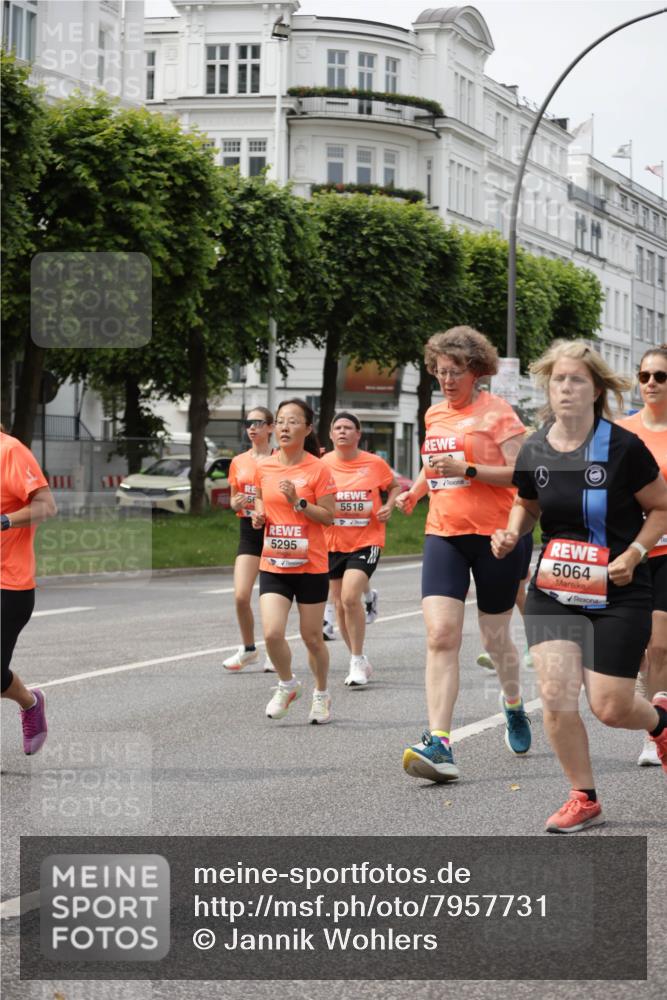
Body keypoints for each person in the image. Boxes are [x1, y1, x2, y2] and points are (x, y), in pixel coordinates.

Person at [492, 340, 667, 833]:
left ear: (595, 390)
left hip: (619, 587)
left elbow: (661, 507)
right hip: (555, 585)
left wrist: (633, 553)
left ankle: (660, 723)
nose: (566, 388)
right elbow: (527, 503)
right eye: (558, 379)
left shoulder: (622, 446)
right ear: (548, 386)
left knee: (610, 707)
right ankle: (583, 796)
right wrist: (511, 531)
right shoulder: (536, 445)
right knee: (555, 694)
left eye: (577, 380)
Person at [397, 327, 532, 783]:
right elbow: (433, 463)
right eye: (440, 371)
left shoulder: (498, 413)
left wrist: (469, 469)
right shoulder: (435, 413)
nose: (447, 380)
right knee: (440, 635)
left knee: (495, 639)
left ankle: (513, 702)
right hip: (445, 533)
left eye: (455, 372)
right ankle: (440, 740)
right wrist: (416, 491)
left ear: (477, 371)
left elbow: (523, 474)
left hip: (496, 537)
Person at [252, 399, 337, 723]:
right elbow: (261, 497)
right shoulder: (266, 466)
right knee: (272, 633)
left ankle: (321, 694)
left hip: (310, 565)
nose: (285, 427)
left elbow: (328, 517)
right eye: (281, 421)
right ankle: (287, 684)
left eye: (293, 421)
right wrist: (260, 514)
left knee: (312, 637)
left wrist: (297, 502)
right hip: (274, 562)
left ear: (308, 428)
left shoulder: (318, 469)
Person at [322, 411, 402, 687]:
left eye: (348, 428)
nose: (342, 432)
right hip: (332, 541)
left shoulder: (374, 463)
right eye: (338, 427)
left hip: (366, 540)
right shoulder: (322, 465)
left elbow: (393, 487)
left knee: (349, 596)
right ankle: (358, 658)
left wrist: (389, 505)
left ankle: (356, 659)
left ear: (358, 435)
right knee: (339, 604)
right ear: (331, 435)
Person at [617, 344, 667, 766]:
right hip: (630, 553)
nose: (650, 383)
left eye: (660, 376)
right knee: (635, 648)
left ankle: (654, 735)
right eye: (645, 375)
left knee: (660, 644)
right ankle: (654, 704)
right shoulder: (623, 431)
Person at [1, 428, 57, 754]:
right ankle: (30, 701)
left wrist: (4, 520)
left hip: (9, 583)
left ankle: (30, 701)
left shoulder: (11, 451)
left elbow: (47, 506)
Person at [223, 407, 276, 673]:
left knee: (270, 597)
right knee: (241, 596)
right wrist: (238, 501)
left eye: (258, 423)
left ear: (271, 428)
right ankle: (248, 649)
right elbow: (233, 499)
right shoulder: (239, 461)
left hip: (275, 531)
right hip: (248, 530)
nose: (252, 428)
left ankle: (275, 652)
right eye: (249, 423)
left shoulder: (281, 459)